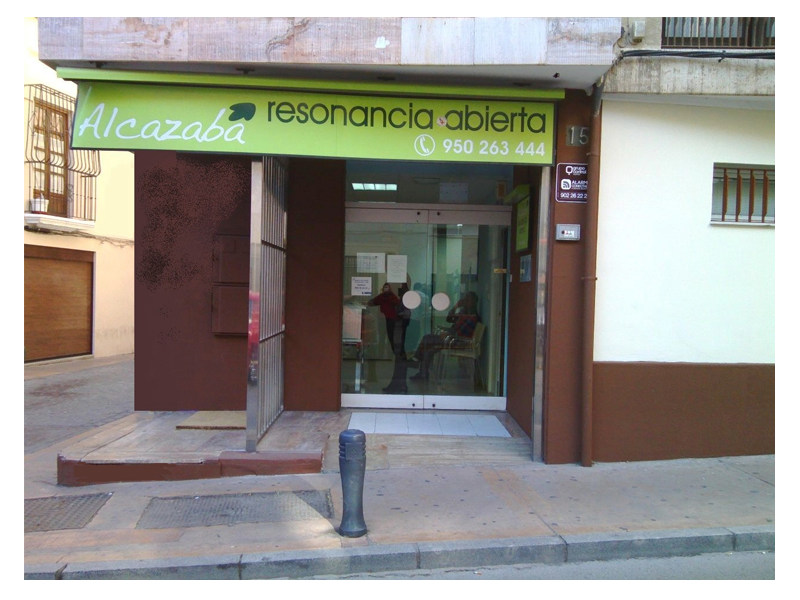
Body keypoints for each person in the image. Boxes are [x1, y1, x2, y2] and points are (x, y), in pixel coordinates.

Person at [409, 291, 480, 381]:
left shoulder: (472, 316)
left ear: (473, 302)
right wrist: (455, 307)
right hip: (452, 338)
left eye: (467, 300)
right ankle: (423, 374)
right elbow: (449, 320)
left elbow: (461, 333)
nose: (465, 301)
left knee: (427, 339)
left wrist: (448, 334)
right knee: (428, 350)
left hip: (457, 341)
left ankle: (416, 361)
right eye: (465, 299)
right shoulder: (464, 312)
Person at [368, 283, 401, 356]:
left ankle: (391, 353)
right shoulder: (381, 296)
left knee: (390, 336)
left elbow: (398, 303)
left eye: (387, 287)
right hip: (382, 319)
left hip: (391, 319)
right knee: (382, 336)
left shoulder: (392, 296)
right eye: (385, 287)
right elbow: (373, 302)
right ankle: (381, 353)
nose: (386, 289)